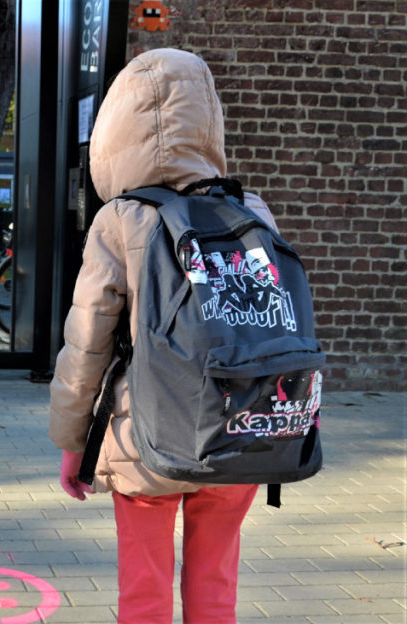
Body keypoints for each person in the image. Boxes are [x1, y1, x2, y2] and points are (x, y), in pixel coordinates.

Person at [49, 48, 273, 624]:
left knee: (145, 591)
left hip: (149, 438)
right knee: (216, 584)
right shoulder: (250, 209)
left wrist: (76, 443)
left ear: (119, 129)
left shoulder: (122, 219)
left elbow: (89, 342)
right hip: (240, 430)